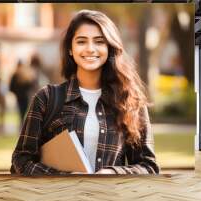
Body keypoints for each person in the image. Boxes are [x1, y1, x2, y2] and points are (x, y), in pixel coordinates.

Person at [11, 10, 159, 175]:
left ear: (109, 47)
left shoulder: (130, 101)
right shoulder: (46, 98)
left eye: (99, 42)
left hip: (110, 199)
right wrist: (65, 177)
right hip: (58, 199)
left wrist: (111, 173)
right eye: (81, 41)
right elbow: (21, 160)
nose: (90, 49)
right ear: (70, 49)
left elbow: (148, 166)